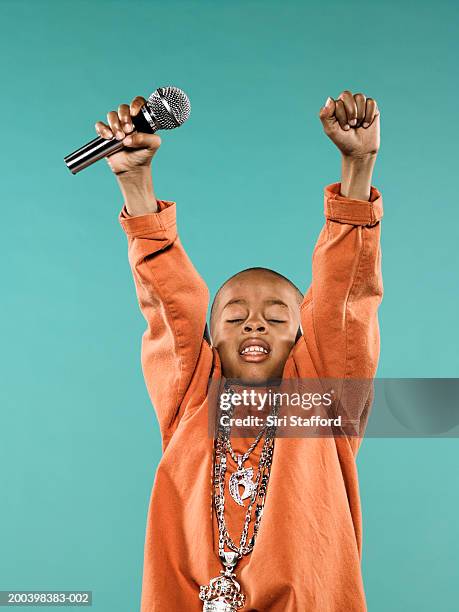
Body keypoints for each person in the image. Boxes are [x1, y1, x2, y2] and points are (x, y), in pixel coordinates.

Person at [96, 89, 383, 611]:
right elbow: (169, 304)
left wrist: (357, 168)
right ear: (211, 343)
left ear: (303, 342)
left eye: (277, 317)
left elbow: (344, 299)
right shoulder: (191, 400)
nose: (254, 324)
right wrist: (134, 183)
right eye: (233, 317)